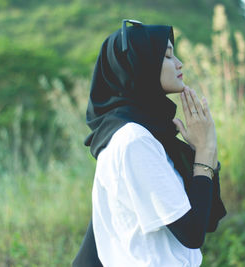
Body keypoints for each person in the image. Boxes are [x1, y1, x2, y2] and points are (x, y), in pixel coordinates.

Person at [72, 19, 226, 267]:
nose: (179, 64)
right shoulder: (133, 140)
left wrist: (203, 151)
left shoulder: (145, 136)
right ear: (139, 66)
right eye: (166, 56)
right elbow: (191, 233)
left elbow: (206, 219)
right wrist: (206, 150)